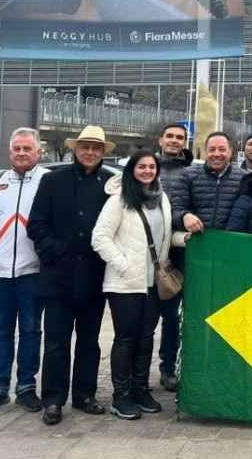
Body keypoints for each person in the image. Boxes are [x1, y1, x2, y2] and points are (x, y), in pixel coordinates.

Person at [28, 126, 114, 426]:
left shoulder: (110, 184)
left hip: (94, 275)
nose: (90, 152)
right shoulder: (53, 181)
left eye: (96, 148)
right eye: (85, 147)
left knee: (90, 342)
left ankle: (85, 395)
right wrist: (52, 250)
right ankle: (52, 399)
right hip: (58, 276)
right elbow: (37, 224)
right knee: (56, 343)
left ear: (104, 152)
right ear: (75, 149)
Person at [92, 150, 180, 420]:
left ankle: (141, 389)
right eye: (141, 166)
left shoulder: (162, 199)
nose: (147, 171)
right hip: (124, 284)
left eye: (152, 167)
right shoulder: (120, 200)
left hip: (152, 283)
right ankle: (121, 395)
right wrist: (124, 265)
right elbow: (100, 237)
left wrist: (186, 237)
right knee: (126, 338)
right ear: (131, 170)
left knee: (146, 337)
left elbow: (163, 236)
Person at [0, 128, 47, 414]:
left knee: (31, 331)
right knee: (0, 331)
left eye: (27, 148)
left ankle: (26, 387)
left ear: (38, 152)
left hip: (33, 272)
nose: (21, 153)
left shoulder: (47, 181)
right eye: (16, 148)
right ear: (9, 152)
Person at [154, 122, 192, 393]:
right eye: (170, 136)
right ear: (161, 140)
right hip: (144, 251)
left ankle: (168, 366)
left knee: (172, 315)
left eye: (180, 137)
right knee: (143, 317)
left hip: (177, 252)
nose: (174, 141)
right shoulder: (144, 168)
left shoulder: (191, 173)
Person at [170, 132, 249, 235]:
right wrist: (184, 216)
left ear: (230, 152)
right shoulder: (187, 175)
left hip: (231, 243)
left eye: (222, 149)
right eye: (212, 150)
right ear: (206, 152)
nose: (216, 154)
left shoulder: (245, 178)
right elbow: (175, 209)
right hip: (197, 241)